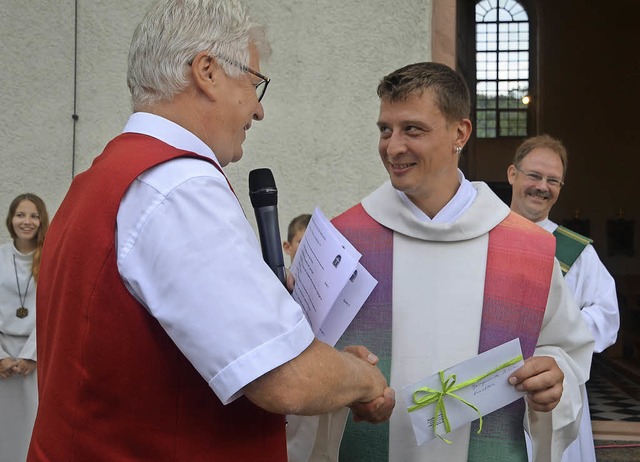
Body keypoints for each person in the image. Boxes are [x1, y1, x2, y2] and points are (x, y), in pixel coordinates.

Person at [27, 1, 394, 460]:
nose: (258, 110)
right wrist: (365, 379)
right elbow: (285, 378)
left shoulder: (99, 179)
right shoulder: (180, 186)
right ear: (207, 71)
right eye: (254, 84)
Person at [296, 62, 595, 462]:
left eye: (412, 129)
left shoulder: (530, 249)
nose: (393, 146)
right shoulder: (342, 241)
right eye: (386, 129)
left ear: (460, 133)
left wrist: (554, 375)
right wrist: (340, 381)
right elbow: (299, 357)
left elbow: (564, 351)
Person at [507, 134, 620, 462]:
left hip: (554, 388)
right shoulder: (483, 233)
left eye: (553, 180)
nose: (542, 186)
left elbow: (608, 314)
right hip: (494, 377)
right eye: (534, 175)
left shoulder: (576, 250)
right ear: (513, 174)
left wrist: (559, 329)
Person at [0, 193, 49, 462]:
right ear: (11, 219)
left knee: (30, 431)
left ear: (41, 221)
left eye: (33, 215)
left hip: (36, 359)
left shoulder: (51, 258)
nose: (26, 221)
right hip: (2, 359)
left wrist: (33, 356)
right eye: (20, 215)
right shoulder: (0, 257)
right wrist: (1, 356)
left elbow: (53, 309)